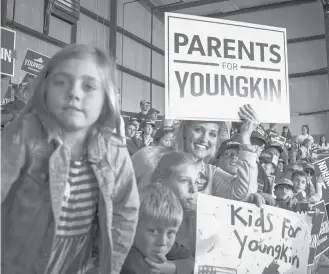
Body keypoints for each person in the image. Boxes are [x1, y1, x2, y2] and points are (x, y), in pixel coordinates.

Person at [1, 44, 140, 274]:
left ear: (106, 99)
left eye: (89, 86)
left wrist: (109, 267)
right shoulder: (23, 135)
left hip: (80, 263)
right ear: (44, 89)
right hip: (19, 260)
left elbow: (125, 212)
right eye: (60, 82)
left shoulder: (115, 151)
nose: (74, 92)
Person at [172, 104, 259, 202]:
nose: (204, 139)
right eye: (198, 130)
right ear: (184, 132)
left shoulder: (210, 173)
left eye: (212, 134)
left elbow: (244, 194)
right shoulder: (156, 160)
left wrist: (246, 135)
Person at [121, 183, 183, 274]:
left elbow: (191, 261)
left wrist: (173, 268)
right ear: (133, 226)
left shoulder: (162, 243)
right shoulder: (127, 258)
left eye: (170, 232)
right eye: (153, 231)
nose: (162, 242)